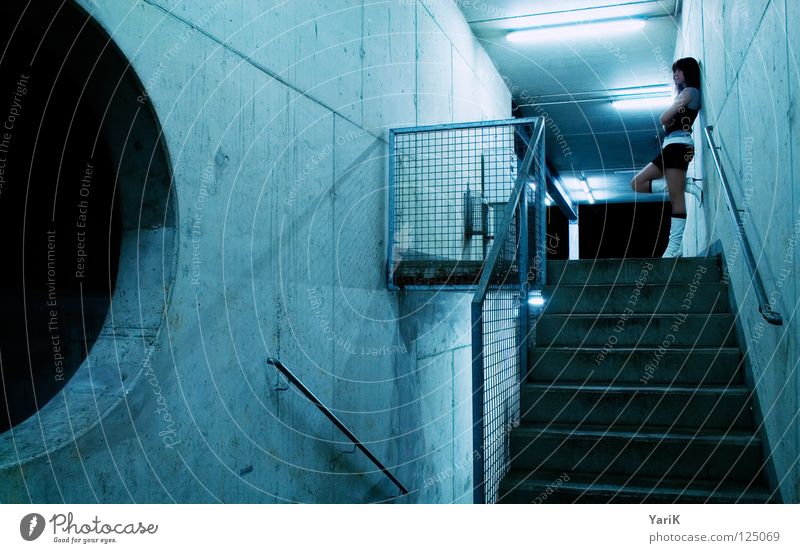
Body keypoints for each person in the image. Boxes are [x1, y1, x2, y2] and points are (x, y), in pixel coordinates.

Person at [630, 57, 703, 257]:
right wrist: (668, 121)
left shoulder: (689, 92)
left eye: (679, 71)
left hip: (679, 146)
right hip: (670, 146)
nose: (675, 74)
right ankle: (685, 185)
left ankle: (673, 250)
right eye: (674, 71)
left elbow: (663, 118)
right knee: (637, 183)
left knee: (676, 199)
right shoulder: (685, 94)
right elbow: (666, 122)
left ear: (688, 72)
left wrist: (668, 120)